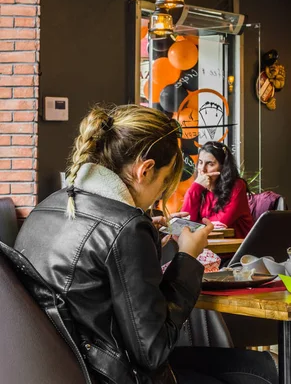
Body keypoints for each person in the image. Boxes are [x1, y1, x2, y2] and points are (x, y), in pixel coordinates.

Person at [14, 105, 277, 384]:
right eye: (164, 182)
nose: (158, 195)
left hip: (69, 369)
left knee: (259, 367)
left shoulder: (46, 208)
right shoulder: (126, 228)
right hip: (115, 375)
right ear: (145, 170)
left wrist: (141, 240)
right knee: (263, 371)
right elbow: (153, 350)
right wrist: (187, 256)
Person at [181, 141, 254, 238]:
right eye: (200, 162)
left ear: (223, 167)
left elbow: (220, 223)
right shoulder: (199, 188)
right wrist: (195, 188)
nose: (202, 169)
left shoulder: (237, 186)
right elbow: (186, 223)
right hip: (209, 244)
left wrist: (196, 224)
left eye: (210, 164)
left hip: (233, 248)